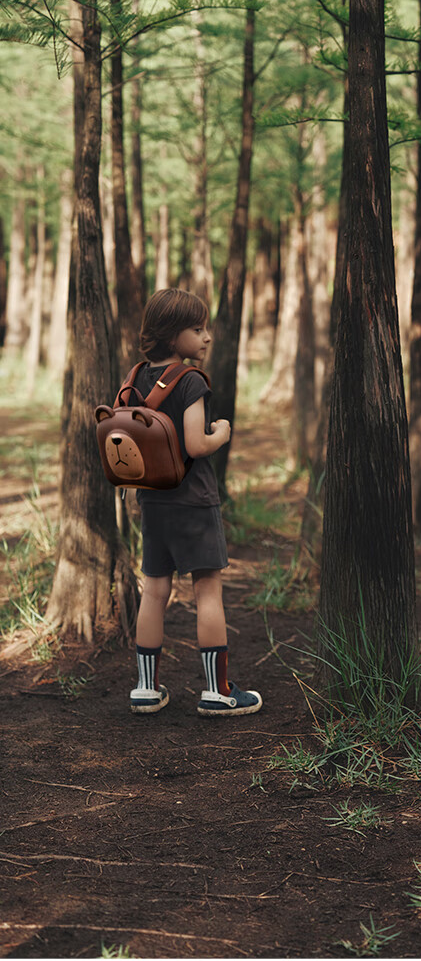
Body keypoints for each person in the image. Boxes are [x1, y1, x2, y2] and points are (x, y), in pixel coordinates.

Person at [128, 287, 262, 719]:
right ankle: (217, 691)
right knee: (207, 591)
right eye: (197, 329)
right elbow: (195, 443)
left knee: (154, 590)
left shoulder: (134, 379)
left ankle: (146, 689)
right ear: (172, 336)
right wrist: (221, 432)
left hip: (153, 502)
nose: (206, 337)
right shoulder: (190, 381)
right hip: (194, 502)